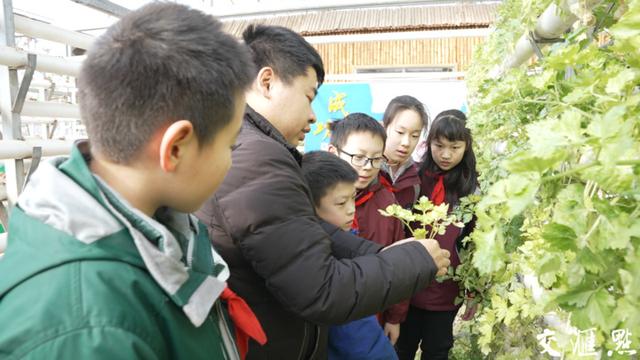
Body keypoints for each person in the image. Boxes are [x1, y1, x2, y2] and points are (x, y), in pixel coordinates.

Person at [0, 4, 260, 359]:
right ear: (176, 148)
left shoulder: (151, 228)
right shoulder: (89, 329)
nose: (232, 159)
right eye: (230, 145)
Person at [195, 24, 451, 359]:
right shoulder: (258, 158)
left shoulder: (252, 146)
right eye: (309, 96)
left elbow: (303, 230)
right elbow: (321, 289)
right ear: (267, 82)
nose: (314, 116)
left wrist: (381, 253)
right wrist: (414, 260)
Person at [395, 113, 478, 360]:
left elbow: (475, 243)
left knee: (437, 351)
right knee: (400, 349)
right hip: (409, 285)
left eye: (455, 147)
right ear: (428, 142)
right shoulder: (414, 178)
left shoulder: (473, 188)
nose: (445, 155)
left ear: (467, 146)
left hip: (446, 290)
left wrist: (473, 291)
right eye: (438, 145)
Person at [301, 151, 397, 360]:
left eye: (353, 198)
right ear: (310, 206)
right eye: (341, 203)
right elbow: (358, 340)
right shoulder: (332, 262)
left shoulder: (342, 244)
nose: (351, 210)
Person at [327, 113, 409, 346]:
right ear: (334, 152)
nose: (367, 167)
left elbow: (399, 262)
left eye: (375, 159)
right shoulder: (314, 198)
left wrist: (394, 318)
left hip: (372, 317)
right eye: (358, 157)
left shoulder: (387, 203)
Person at [381, 95, 430, 209]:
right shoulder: (366, 170)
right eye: (400, 132)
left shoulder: (417, 178)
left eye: (414, 135)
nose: (406, 142)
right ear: (384, 128)